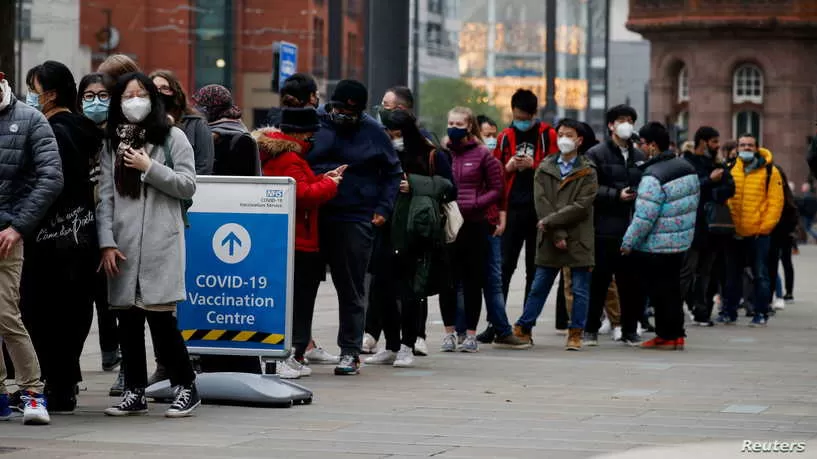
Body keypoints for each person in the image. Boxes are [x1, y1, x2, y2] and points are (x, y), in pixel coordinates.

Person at [98, 72, 199, 417]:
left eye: (141, 94)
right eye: (127, 95)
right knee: (127, 321)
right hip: (124, 245)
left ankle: (186, 386)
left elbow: (187, 186)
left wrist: (149, 166)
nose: (135, 100)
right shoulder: (112, 142)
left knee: (161, 321)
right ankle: (134, 392)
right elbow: (106, 199)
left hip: (160, 242)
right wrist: (106, 243)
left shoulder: (173, 137)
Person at [19, 61, 102, 413]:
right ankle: (65, 382)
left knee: (40, 310)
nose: (30, 95)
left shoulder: (48, 131)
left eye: (33, 88)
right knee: (74, 309)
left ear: (50, 94)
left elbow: (46, 183)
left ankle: (55, 382)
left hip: (47, 235)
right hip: (82, 234)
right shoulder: (87, 128)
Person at [308, 79, 402, 375]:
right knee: (304, 285)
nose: (345, 115)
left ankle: (350, 350)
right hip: (314, 213)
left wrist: (383, 209)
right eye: (340, 109)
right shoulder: (316, 123)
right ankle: (298, 349)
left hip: (355, 217)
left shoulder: (373, 130)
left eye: (353, 112)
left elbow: (392, 172)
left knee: (351, 288)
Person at [365, 109, 462, 366]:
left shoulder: (431, 154)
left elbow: (450, 188)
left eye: (393, 132)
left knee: (410, 291)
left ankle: (408, 344)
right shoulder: (381, 153)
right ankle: (391, 345)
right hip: (384, 227)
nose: (389, 136)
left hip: (415, 231)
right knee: (381, 289)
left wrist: (416, 185)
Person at [254, 107, 340, 378]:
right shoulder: (290, 157)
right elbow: (301, 194)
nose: (313, 139)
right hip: (300, 241)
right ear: (300, 133)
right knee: (299, 304)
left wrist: (324, 178)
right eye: (311, 133)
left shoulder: (274, 153)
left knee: (286, 301)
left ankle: (286, 354)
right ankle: (289, 355)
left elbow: (299, 183)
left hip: (282, 239)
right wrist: (331, 185)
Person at [0, 70, 61, 425]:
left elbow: (51, 177)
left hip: (8, 235)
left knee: (7, 315)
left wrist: (18, 226)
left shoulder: (29, 119)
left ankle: (33, 392)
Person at [512, 118, 597, 350]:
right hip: (550, 237)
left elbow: (582, 205)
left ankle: (576, 332)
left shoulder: (588, 171)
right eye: (561, 135)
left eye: (569, 135)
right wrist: (556, 232)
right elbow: (542, 202)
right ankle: (524, 327)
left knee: (579, 289)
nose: (564, 140)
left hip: (579, 238)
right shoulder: (545, 167)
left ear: (579, 140)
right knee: (539, 285)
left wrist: (550, 223)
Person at [621, 122, 699, 350]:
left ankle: (666, 335)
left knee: (659, 292)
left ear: (653, 145)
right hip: (680, 242)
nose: (640, 148)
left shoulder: (653, 176)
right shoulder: (687, 168)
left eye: (642, 143)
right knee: (673, 289)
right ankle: (676, 335)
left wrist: (628, 242)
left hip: (656, 245)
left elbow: (644, 216)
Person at [439, 106, 510, 353]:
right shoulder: (442, 153)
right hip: (448, 223)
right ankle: (449, 333)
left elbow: (496, 188)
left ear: (470, 127)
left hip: (475, 223)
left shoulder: (482, 155)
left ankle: (469, 334)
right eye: (451, 123)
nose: (454, 128)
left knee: (472, 281)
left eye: (459, 124)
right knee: (447, 281)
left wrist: (476, 203)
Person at [583, 105, 646, 346]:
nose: (627, 124)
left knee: (630, 284)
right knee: (599, 282)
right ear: (611, 125)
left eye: (630, 120)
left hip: (632, 229)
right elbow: (589, 188)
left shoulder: (639, 156)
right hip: (605, 229)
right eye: (622, 120)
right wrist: (615, 195)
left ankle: (630, 330)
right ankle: (591, 329)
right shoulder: (596, 154)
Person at [77, 73, 123, 384]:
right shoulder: (72, 134)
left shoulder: (122, 135)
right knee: (83, 299)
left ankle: (113, 351)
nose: (96, 102)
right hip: (79, 228)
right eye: (89, 95)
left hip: (116, 226)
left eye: (103, 95)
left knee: (113, 298)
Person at [494, 89, 558, 307]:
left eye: (526, 118)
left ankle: (525, 324)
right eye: (518, 117)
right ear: (512, 111)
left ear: (534, 113)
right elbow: (495, 175)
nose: (522, 122)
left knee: (535, 267)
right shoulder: (504, 137)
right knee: (504, 266)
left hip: (539, 209)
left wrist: (534, 166)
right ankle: (497, 322)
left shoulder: (547, 134)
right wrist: (509, 167)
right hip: (511, 208)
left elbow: (557, 170)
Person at [721, 133, 784, 327]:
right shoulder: (730, 168)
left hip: (758, 233)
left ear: (756, 148)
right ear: (737, 148)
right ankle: (729, 312)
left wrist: (764, 228)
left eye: (750, 145)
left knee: (760, 275)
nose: (746, 148)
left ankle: (761, 313)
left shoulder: (770, 171)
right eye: (742, 145)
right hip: (734, 232)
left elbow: (776, 202)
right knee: (731, 275)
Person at [679, 127, 735, 327]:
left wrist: (713, 190)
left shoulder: (717, 163)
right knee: (688, 270)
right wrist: (710, 182)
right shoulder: (688, 162)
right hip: (693, 226)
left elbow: (729, 187)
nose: (717, 145)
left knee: (706, 272)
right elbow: (689, 187)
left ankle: (701, 310)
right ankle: (675, 309)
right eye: (713, 141)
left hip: (713, 228)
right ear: (702, 142)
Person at [150, 70, 214, 175]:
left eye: (165, 88)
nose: (159, 92)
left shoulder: (196, 124)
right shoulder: (144, 124)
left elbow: (204, 166)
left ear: (175, 91)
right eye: (154, 89)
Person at [192, 84, 259, 176]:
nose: (195, 109)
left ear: (210, 109)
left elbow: (246, 182)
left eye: (199, 105)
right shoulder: (201, 133)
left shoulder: (243, 141)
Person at [767, 165, 799, 309]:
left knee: (778, 264)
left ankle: (783, 293)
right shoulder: (786, 194)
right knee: (781, 263)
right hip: (782, 232)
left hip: (780, 232)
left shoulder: (783, 193)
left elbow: (792, 214)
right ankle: (785, 293)